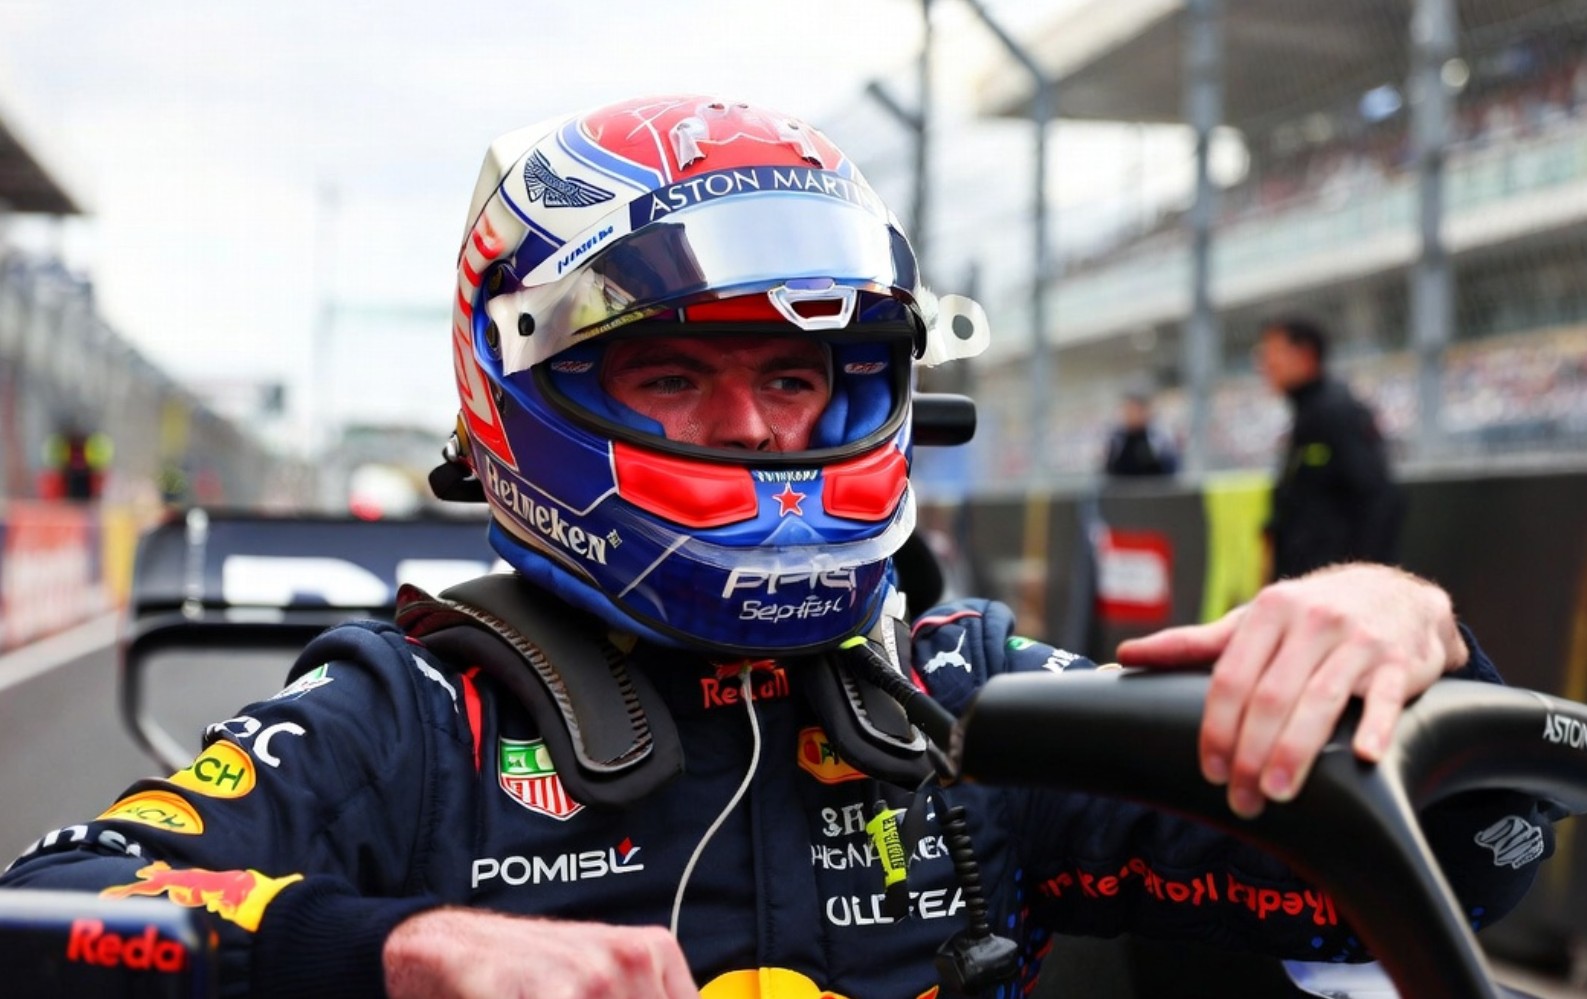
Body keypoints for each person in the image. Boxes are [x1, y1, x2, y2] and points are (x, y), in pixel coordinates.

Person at [0, 95, 1554, 999]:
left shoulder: (966, 694)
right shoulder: (411, 717)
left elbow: (1474, 866)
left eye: (797, 377)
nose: (753, 428)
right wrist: (394, 944)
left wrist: (1402, 629)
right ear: (521, 391)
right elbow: (51, 905)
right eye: (675, 374)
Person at [1255, 316, 1405, 581]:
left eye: (1272, 353)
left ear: (1306, 355)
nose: (1265, 364)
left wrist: (1363, 580)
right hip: (1311, 587)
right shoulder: (1308, 413)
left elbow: (1379, 497)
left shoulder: (1336, 411)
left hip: (1333, 591)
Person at [1102, 387, 1179, 477]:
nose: (1130, 415)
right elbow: (1108, 472)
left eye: (1134, 410)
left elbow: (1170, 470)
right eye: (1128, 410)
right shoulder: (1117, 440)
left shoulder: (1158, 439)